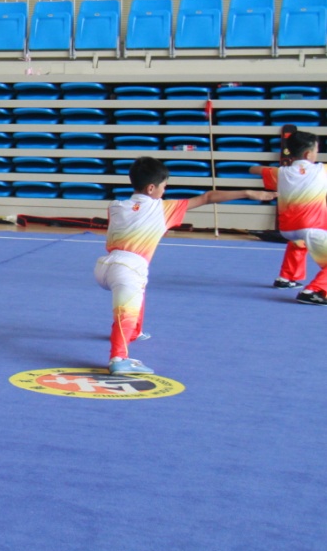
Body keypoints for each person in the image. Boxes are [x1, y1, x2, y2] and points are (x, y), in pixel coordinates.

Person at [97, 157, 275, 375]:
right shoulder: (164, 208)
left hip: (105, 267)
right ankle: (119, 358)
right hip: (128, 269)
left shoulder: (115, 206)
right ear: (151, 188)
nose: (165, 190)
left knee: (136, 289)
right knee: (127, 309)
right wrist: (248, 193)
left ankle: (134, 331)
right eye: (164, 186)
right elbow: (208, 197)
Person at [251, 132, 327, 305]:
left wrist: (279, 167)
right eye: (316, 150)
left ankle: (286, 278)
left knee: (299, 242)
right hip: (313, 228)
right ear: (308, 154)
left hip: (287, 230)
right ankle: (314, 291)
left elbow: (253, 169)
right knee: (307, 238)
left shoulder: (280, 173)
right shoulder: (322, 170)